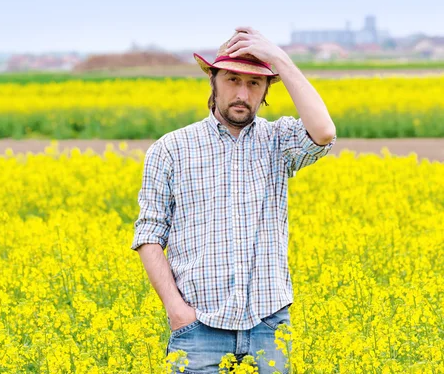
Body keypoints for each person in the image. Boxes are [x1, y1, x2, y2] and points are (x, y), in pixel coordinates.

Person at [130, 26, 337, 374]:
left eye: (254, 83)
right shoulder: (170, 150)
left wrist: (280, 60)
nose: (242, 93)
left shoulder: (279, 140)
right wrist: (177, 312)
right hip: (199, 329)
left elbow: (324, 132)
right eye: (232, 80)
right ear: (212, 80)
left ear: (267, 90)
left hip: (268, 326)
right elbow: (149, 236)